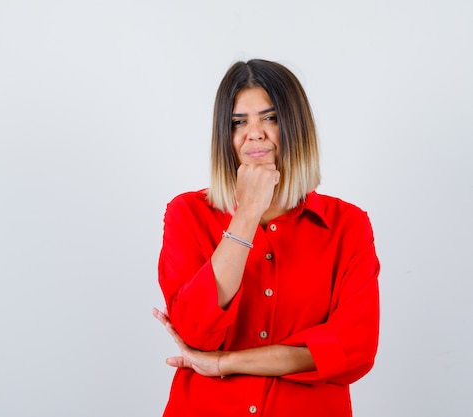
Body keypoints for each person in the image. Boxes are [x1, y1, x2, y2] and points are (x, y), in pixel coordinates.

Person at [153, 59, 380, 417]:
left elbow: (353, 352)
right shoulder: (187, 214)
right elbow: (196, 333)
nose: (254, 133)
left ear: (296, 127)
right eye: (238, 122)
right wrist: (246, 214)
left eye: (270, 118)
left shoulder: (348, 225)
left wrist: (224, 362)